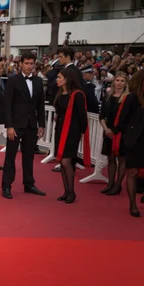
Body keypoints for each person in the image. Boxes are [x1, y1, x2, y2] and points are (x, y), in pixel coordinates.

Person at [2, 52, 47, 199]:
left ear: (34, 64)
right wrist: (9, 125)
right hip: (15, 124)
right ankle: (6, 186)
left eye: (31, 63)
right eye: (26, 63)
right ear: (21, 64)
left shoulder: (39, 82)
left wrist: (41, 124)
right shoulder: (12, 80)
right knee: (10, 156)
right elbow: (7, 104)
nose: (29, 66)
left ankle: (29, 184)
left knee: (29, 157)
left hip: (31, 125)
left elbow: (40, 105)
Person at [53, 69, 89, 204]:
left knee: (66, 162)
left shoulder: (77, 95)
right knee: (62, 162)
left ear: (67, 79)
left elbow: (82, 116)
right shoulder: (60, 93)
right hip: (60, 130)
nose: (57, 79)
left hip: (72, 132)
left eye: (59, 77)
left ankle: (72, 192)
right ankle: (66, 191)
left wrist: (80, 133)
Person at [115, 69, 144, 217]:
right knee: (132, 172)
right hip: (134, 141)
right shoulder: (132, 98)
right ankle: (133, 204)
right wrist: (126, 136)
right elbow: (122, 120)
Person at [99, 72, 129, 196]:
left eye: (122, 81)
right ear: (113, 81)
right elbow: (102, 115)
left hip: (122, 133)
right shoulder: (107, 96)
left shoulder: (128, 98)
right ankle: (110, 184)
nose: (119, 83)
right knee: (110, 159)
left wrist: (115, 131)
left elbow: (127, 118)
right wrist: (106, 129)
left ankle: (117, 185)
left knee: (122, 159)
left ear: (126, 83)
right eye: (117, 80)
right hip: (108, 132)